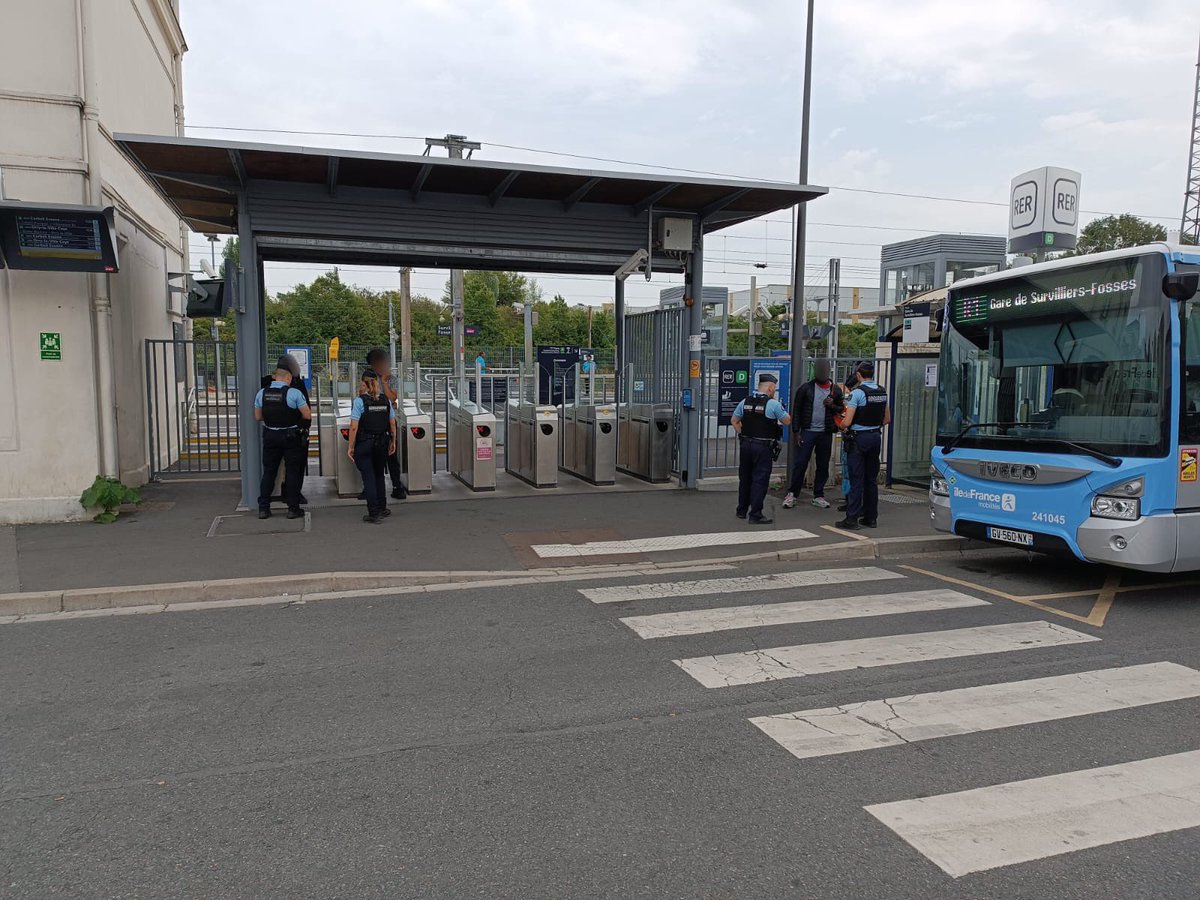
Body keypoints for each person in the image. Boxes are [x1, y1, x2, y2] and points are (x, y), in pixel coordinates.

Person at [731, 372, 792, 525]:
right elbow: (787, 421)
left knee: (745, 478)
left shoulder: (745, 401)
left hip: (746, 444)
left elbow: (734, 420)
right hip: (763, 447)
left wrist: (744, 434)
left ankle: (741, 510)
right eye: (774, 388)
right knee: (760, 479)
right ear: (770, 388)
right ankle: (756, 514)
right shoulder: (773, 404)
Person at [254, 358, 312, 520]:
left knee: (269, 472)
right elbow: (307, 415)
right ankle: (293, 509)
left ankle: (264, 508)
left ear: (275, 377)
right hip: (291, 437)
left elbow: (258, 417)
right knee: (292, 472)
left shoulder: (262, 393)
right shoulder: (294, 393)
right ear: (288, 378)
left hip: (270, 436)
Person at [837, 361, 890, 530]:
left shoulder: (857, 393)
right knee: (871, 480)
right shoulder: (882, 392)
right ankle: (870, 518)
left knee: (856, 479)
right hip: (875, 437)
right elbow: (887, 419)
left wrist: (841, 424)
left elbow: (848, 421)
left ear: (859, 375)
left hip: (859, 440)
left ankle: (851, 519)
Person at [783, 359, 843, 510]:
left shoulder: (835, 390)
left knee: (823, 465)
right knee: (801, 463)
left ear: (829, 370)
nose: (822, 371)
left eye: (824, 369)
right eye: (819, 369)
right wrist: (796, 431)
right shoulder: (805, 389)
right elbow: (796, 410)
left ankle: (819, 495)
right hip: (808, 431)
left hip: (826, 432)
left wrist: (832, 405)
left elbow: (841, 409)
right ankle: (792, 494)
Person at [348, 368, 397, 524]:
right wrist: (393, 441)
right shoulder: (385, 400)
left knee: (368, 478)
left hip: (365, 443)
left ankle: (374, 513)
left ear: (363, 384)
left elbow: (354, 427)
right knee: (379, 476)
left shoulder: (359, 401)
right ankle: (382, 507)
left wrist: (351, 446)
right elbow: (392, 424)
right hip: (382, 442)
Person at [365, 348, 407, 501]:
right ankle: (368, 488)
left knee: (391, 455)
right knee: (370, 455)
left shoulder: (392, 378)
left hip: (388, 421)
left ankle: (396, 486)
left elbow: (392, 398)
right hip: (370, 420)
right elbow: (364, 396)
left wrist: (383, 381)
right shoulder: (367, 377)